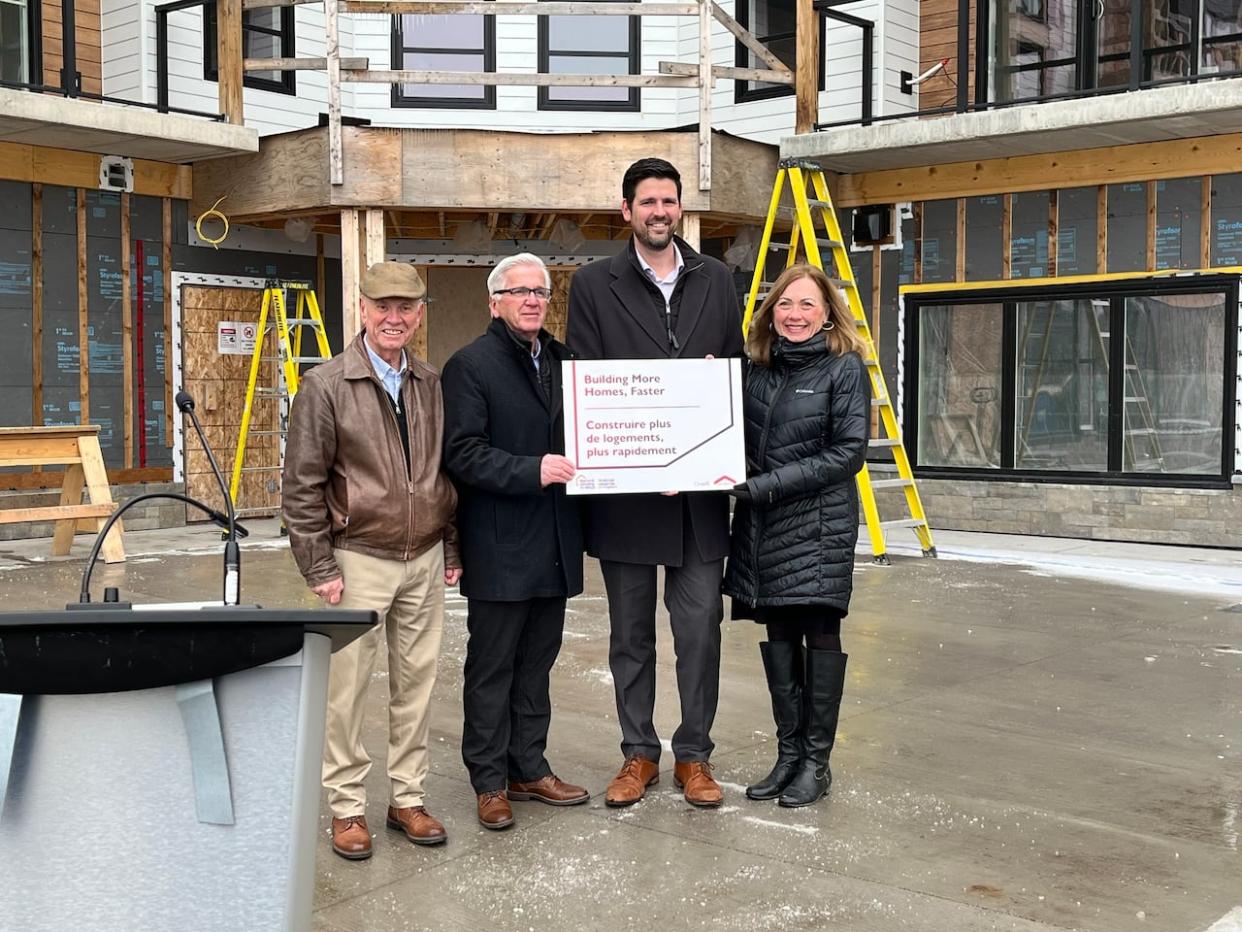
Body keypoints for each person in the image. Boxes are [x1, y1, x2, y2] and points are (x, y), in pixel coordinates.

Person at [566, 157, 744, 808]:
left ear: (680, 209)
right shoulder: (593, 285)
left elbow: (733, 377)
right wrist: (648, 459)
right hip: (627, 499)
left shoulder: (717, 280)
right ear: (627, 211)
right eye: (648, 202)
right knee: (630, 638)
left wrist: (694, 449)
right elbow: (588, 383)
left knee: (700, 633)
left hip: (698, 501)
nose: (660, 212)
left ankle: (694, 756)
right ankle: (637, 753)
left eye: (670, 201)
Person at [283, 261, 462, 860]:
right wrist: (319, 567)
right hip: (357, 558)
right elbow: (301, 487)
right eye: (382, 306)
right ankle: (347, 807)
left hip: (425, 557)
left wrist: (451, 547)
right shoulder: (326, 385)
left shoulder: (431, 384)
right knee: (347, 689)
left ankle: (407, 797)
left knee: (416, 686)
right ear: (361, 308)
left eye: (406, 308)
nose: (394, 318)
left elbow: (445, 473)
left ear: (418, 314)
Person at [441, 253, 589, 831]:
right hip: (500, 545)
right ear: (493, 301)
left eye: (541, 291)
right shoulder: (471, 366)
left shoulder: (563, 361)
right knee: (492, 666)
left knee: (537, 664)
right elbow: (462, 452)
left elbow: (615, 406)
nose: (532, 300)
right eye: (519, 290)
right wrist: (533, 470)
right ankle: (488, 780)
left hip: (553, 542)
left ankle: (529, 765)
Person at [722, 263, 870, 809]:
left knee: (819, 635)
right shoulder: (754, 370)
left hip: (818, 527)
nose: (795, 315)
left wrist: (763, 487)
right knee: (780, 636)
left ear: (827, 313)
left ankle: (816, 763)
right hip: (765, 528)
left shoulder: (843, 369)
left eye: (807, 305)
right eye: (786, 304)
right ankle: (788, 757)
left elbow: (847, 453)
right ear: (771, 313)